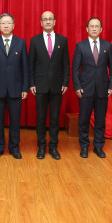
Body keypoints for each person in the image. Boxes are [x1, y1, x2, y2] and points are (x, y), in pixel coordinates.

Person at [0, 13, 29, 159]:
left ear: (13, 25)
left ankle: (14, 148)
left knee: (15, 121)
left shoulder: (21, 43)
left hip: (16, 89)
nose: (6, 25)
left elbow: (25, 67)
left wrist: (25, 88)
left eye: (8, 23)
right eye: (3, 23)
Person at [72, 17, 112, 158]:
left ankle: (98, 146)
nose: (94, 29)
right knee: (83, 120)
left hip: (103, 89)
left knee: (100, 120)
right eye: (92, 26)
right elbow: (75, 69)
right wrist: (77, 86)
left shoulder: (107, 46)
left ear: (101, 29)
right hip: (85, 89)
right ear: (87, 29)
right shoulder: (80, 46)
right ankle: (84, 147)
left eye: (97, 26)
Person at [29, 11, 70, 160]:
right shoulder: (34, 41)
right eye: (45, 19)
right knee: (40, 118)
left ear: (54, 22)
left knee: (54, 118)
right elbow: (31, 64)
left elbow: (66, 64)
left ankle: (53, 147)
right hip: (40, 86)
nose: (47, 21)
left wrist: (65, 82)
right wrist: (31, 83)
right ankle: (41, 146)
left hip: (57, 86)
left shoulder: (62, 40)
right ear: (41, 22)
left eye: (50, 19)